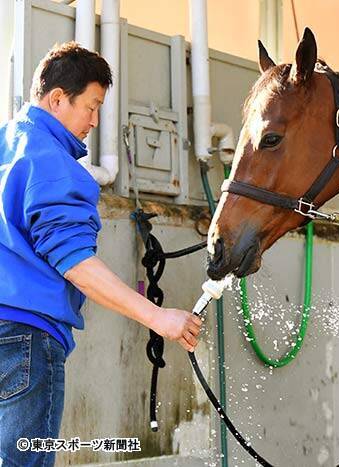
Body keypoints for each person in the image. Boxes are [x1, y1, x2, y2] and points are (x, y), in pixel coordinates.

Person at [0, 42, 202, 466]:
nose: (95, 121)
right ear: (57, 99)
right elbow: (76, 264)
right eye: (91, 107)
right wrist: (159, 317)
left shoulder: (6, 146)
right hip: (25, 342)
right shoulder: (51, 161)